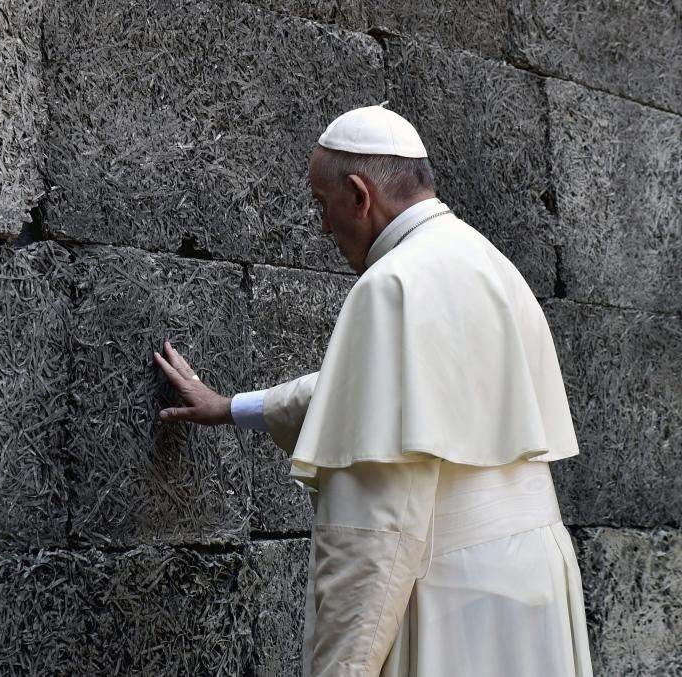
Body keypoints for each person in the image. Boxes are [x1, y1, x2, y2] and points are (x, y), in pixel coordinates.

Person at [153, 106, 593, 677]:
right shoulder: (490, 265)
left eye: (322, 205)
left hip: (454, 603)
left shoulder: (391, 285)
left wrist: (343, 666)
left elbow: (374, 528)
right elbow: (371, 399)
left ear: (360, 196)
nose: (322, 228)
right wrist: (229, 408)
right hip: (536, 586)